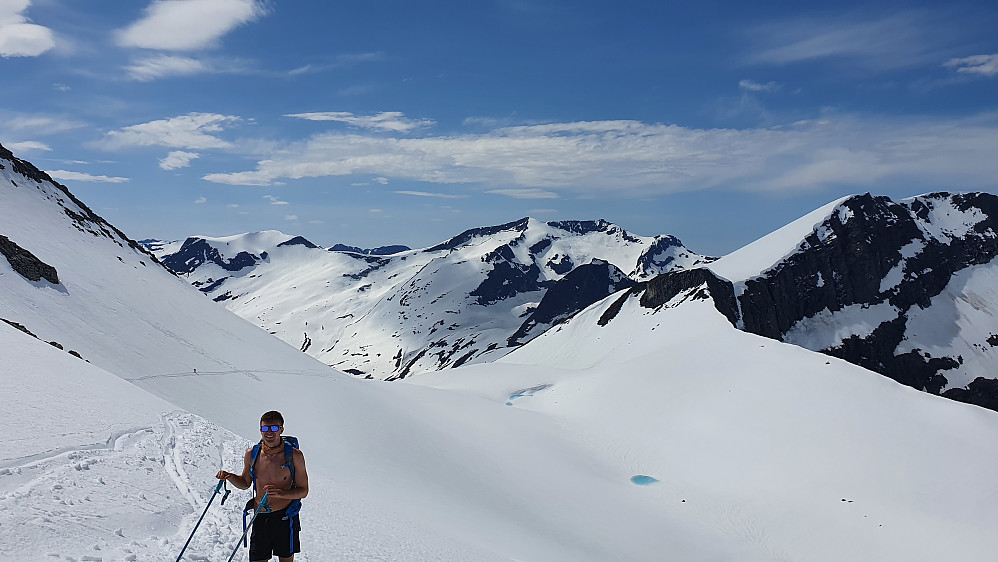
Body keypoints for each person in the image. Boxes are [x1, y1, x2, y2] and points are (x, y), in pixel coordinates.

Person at [217, 411, 309, 562]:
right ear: (260, 430)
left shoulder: (295, 456)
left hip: (285, 517)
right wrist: (230, 477)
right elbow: (245, 483)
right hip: (261, 516)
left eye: (274, 428)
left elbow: (304, 491)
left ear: (281, 429)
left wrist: (281, 494)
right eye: (265, 429)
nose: (269, 433)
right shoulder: (252, 454)